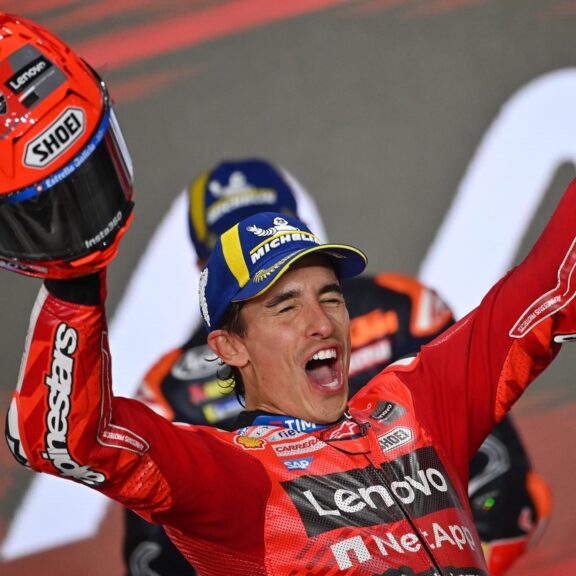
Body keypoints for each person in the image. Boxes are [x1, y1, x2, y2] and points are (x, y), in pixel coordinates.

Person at [2, 14, 569, 576]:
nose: (321, 322)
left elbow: (547, 286)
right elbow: (68, 439)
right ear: (229, 346)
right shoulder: (234, 481)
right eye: (286, 305)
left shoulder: (418, 407)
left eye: (330, 297)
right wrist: (76, 279)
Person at [124, 160, 550, 576]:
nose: (321, 324)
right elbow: (152, 557)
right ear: (204, 270)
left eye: (273, 239)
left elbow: (499, 468)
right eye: (233, 250)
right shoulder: (170, 389)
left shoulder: (403, 307)